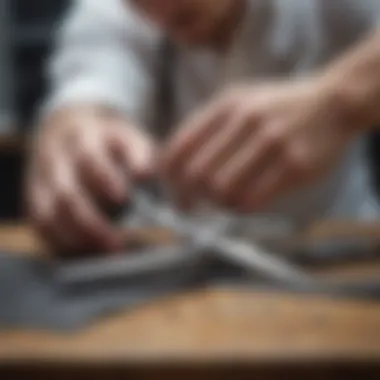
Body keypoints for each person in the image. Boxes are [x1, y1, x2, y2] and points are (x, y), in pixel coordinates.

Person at [26, 0, 380, 253]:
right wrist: (75, 124)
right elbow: (90, 75)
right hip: (177, 280)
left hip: (341, 259)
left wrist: (339, 99)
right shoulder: (114, 10)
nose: (161, 13)